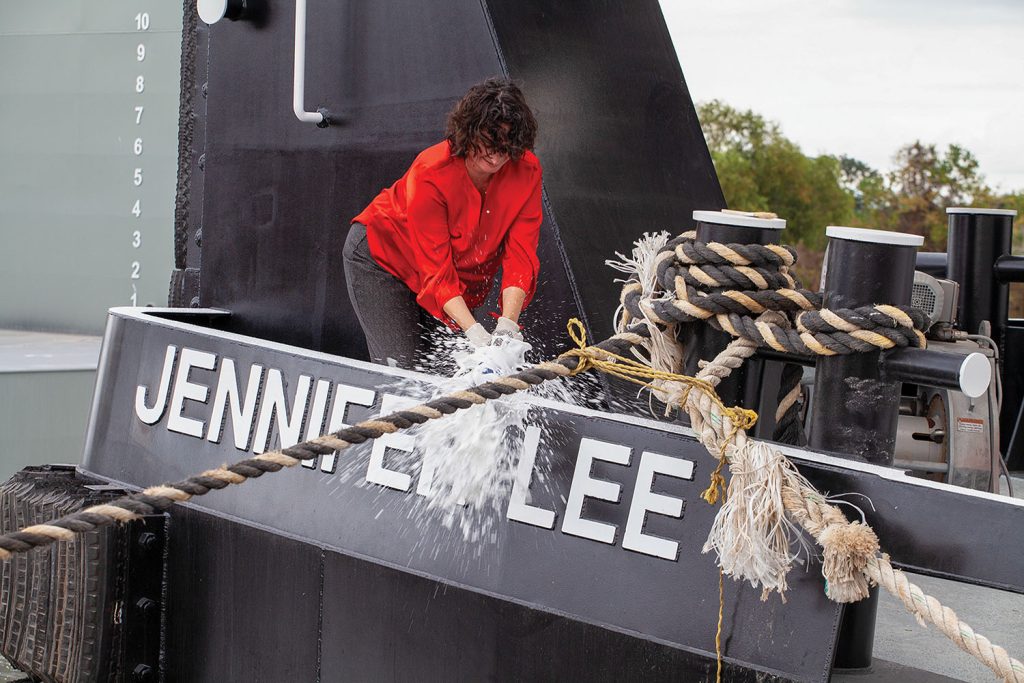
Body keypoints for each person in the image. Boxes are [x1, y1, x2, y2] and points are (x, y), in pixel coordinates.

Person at [344, 77, 542, 367]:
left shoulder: (526, 171)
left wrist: (506, 328)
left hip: (451, 274)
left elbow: (521, 257)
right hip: (384, 260)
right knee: (405, 374)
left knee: (455, 371)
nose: (497, 153)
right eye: (490, 140)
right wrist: (473, 331)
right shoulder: (431, 171)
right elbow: (436, 270)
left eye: (508, 144)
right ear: (469, 130)